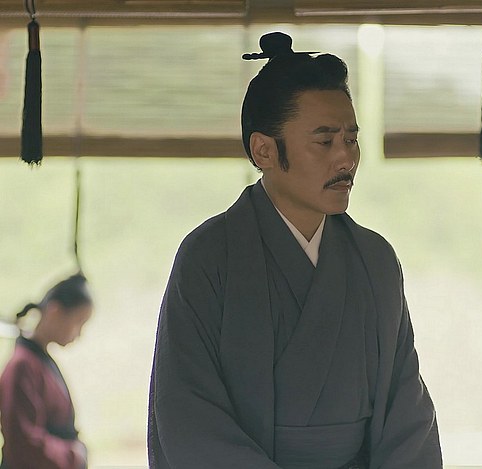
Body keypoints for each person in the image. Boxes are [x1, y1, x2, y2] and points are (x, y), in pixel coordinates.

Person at [147, 32, 441, 469]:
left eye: (351, 140)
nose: (345, 159)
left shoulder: (375, 259)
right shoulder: (209, 258)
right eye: (324, 141)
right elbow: (188, 414)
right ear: (264, 150)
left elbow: (407, 413)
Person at [0, 274, 92, 469]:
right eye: (78, 322)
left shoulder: (38, 360)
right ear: (55, 311)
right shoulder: (22, 366)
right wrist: (72, 456)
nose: (78, 333)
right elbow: (23, 444)